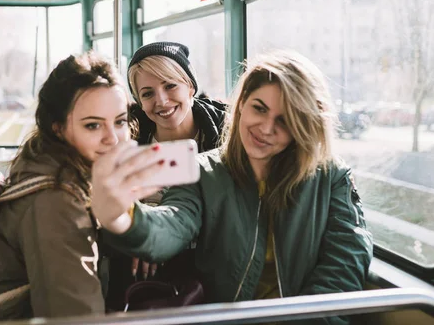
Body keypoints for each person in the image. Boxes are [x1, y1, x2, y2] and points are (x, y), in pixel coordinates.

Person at [92, 50, 374, 325]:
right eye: (259, 109)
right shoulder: (205, 171)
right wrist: (121, 216)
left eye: (284, 119)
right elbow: (172, 224)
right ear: (241, 105)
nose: (265, 128)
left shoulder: (330, 177)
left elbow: (346, 261)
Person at [0, 53, 152, 324]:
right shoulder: (56, 201)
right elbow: (75, 317)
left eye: (120, 121)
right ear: (58, 128)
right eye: (93, 125)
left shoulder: (51, 168)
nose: (113, 138)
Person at [105, 42, 227, 310]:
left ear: (190, 87)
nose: (161, 101)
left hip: (209, 254)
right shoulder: (130, 140)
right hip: (142, 266)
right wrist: (149, 236)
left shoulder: (227, 134)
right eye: (148, 94)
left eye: (170, 86)